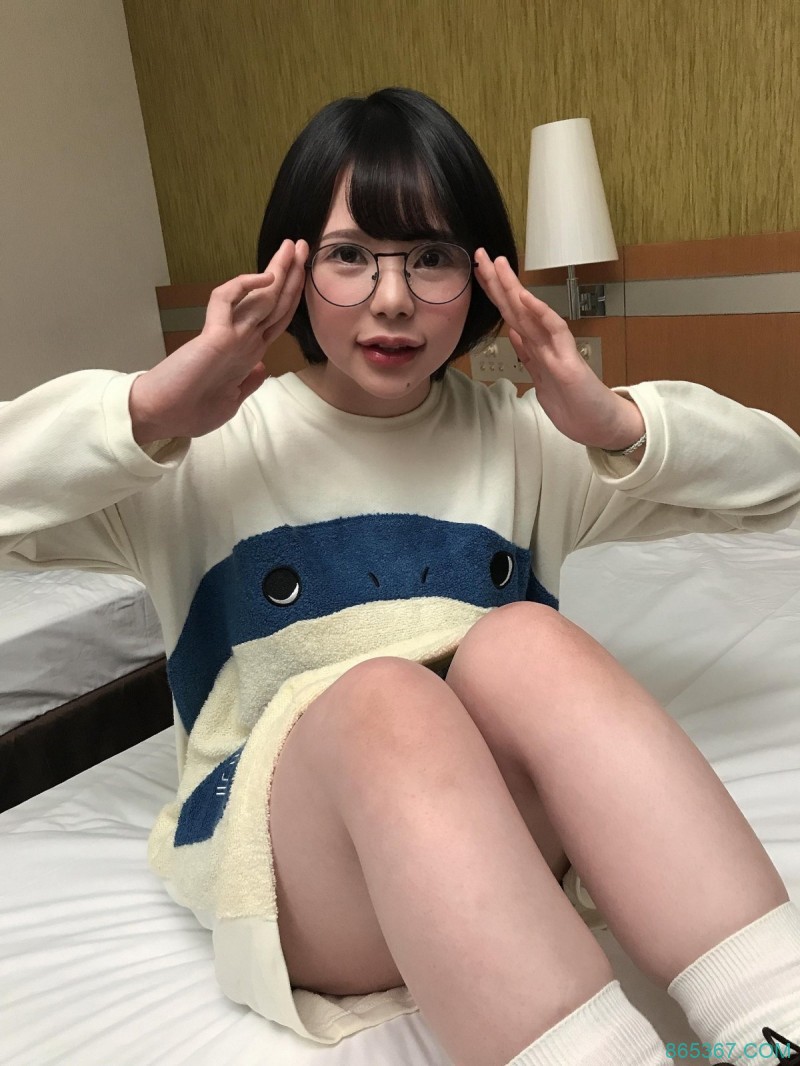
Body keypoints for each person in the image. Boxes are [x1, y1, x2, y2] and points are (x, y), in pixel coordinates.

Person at [2, 86, 800, 1066]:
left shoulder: (525, 439)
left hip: (505, 845)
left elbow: (780, 483)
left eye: (430, 257)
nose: (391, 298)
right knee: (387, 695)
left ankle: (776, 1023)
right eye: (350, 256)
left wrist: (610, 421)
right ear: (291, 268)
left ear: (481, 275)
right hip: (312, 875)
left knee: (524, 639)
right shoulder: (203, 452)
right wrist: (147, 411)